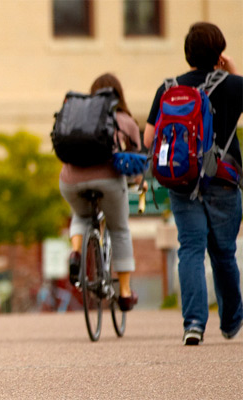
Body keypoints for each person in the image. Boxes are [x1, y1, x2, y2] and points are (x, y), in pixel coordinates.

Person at [143, 22, 243, 346]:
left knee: (190, 249)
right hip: (223, 179)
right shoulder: (233, 86)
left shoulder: (168, 88)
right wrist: (231, 71)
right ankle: (230, 322)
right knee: (224, 253)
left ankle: (194, 324)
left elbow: (148, 138)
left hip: (182, 180)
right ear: (219, 52)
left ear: (187, 53)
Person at [60, 73, 141, 312]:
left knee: (81, 215)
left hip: (70, 181)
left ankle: (75, 252)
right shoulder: (124, 119)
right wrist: (139, 181)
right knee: (119, 229)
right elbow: (136, 158)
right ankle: (125, 293)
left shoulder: (79, 117)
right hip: (108, 181)